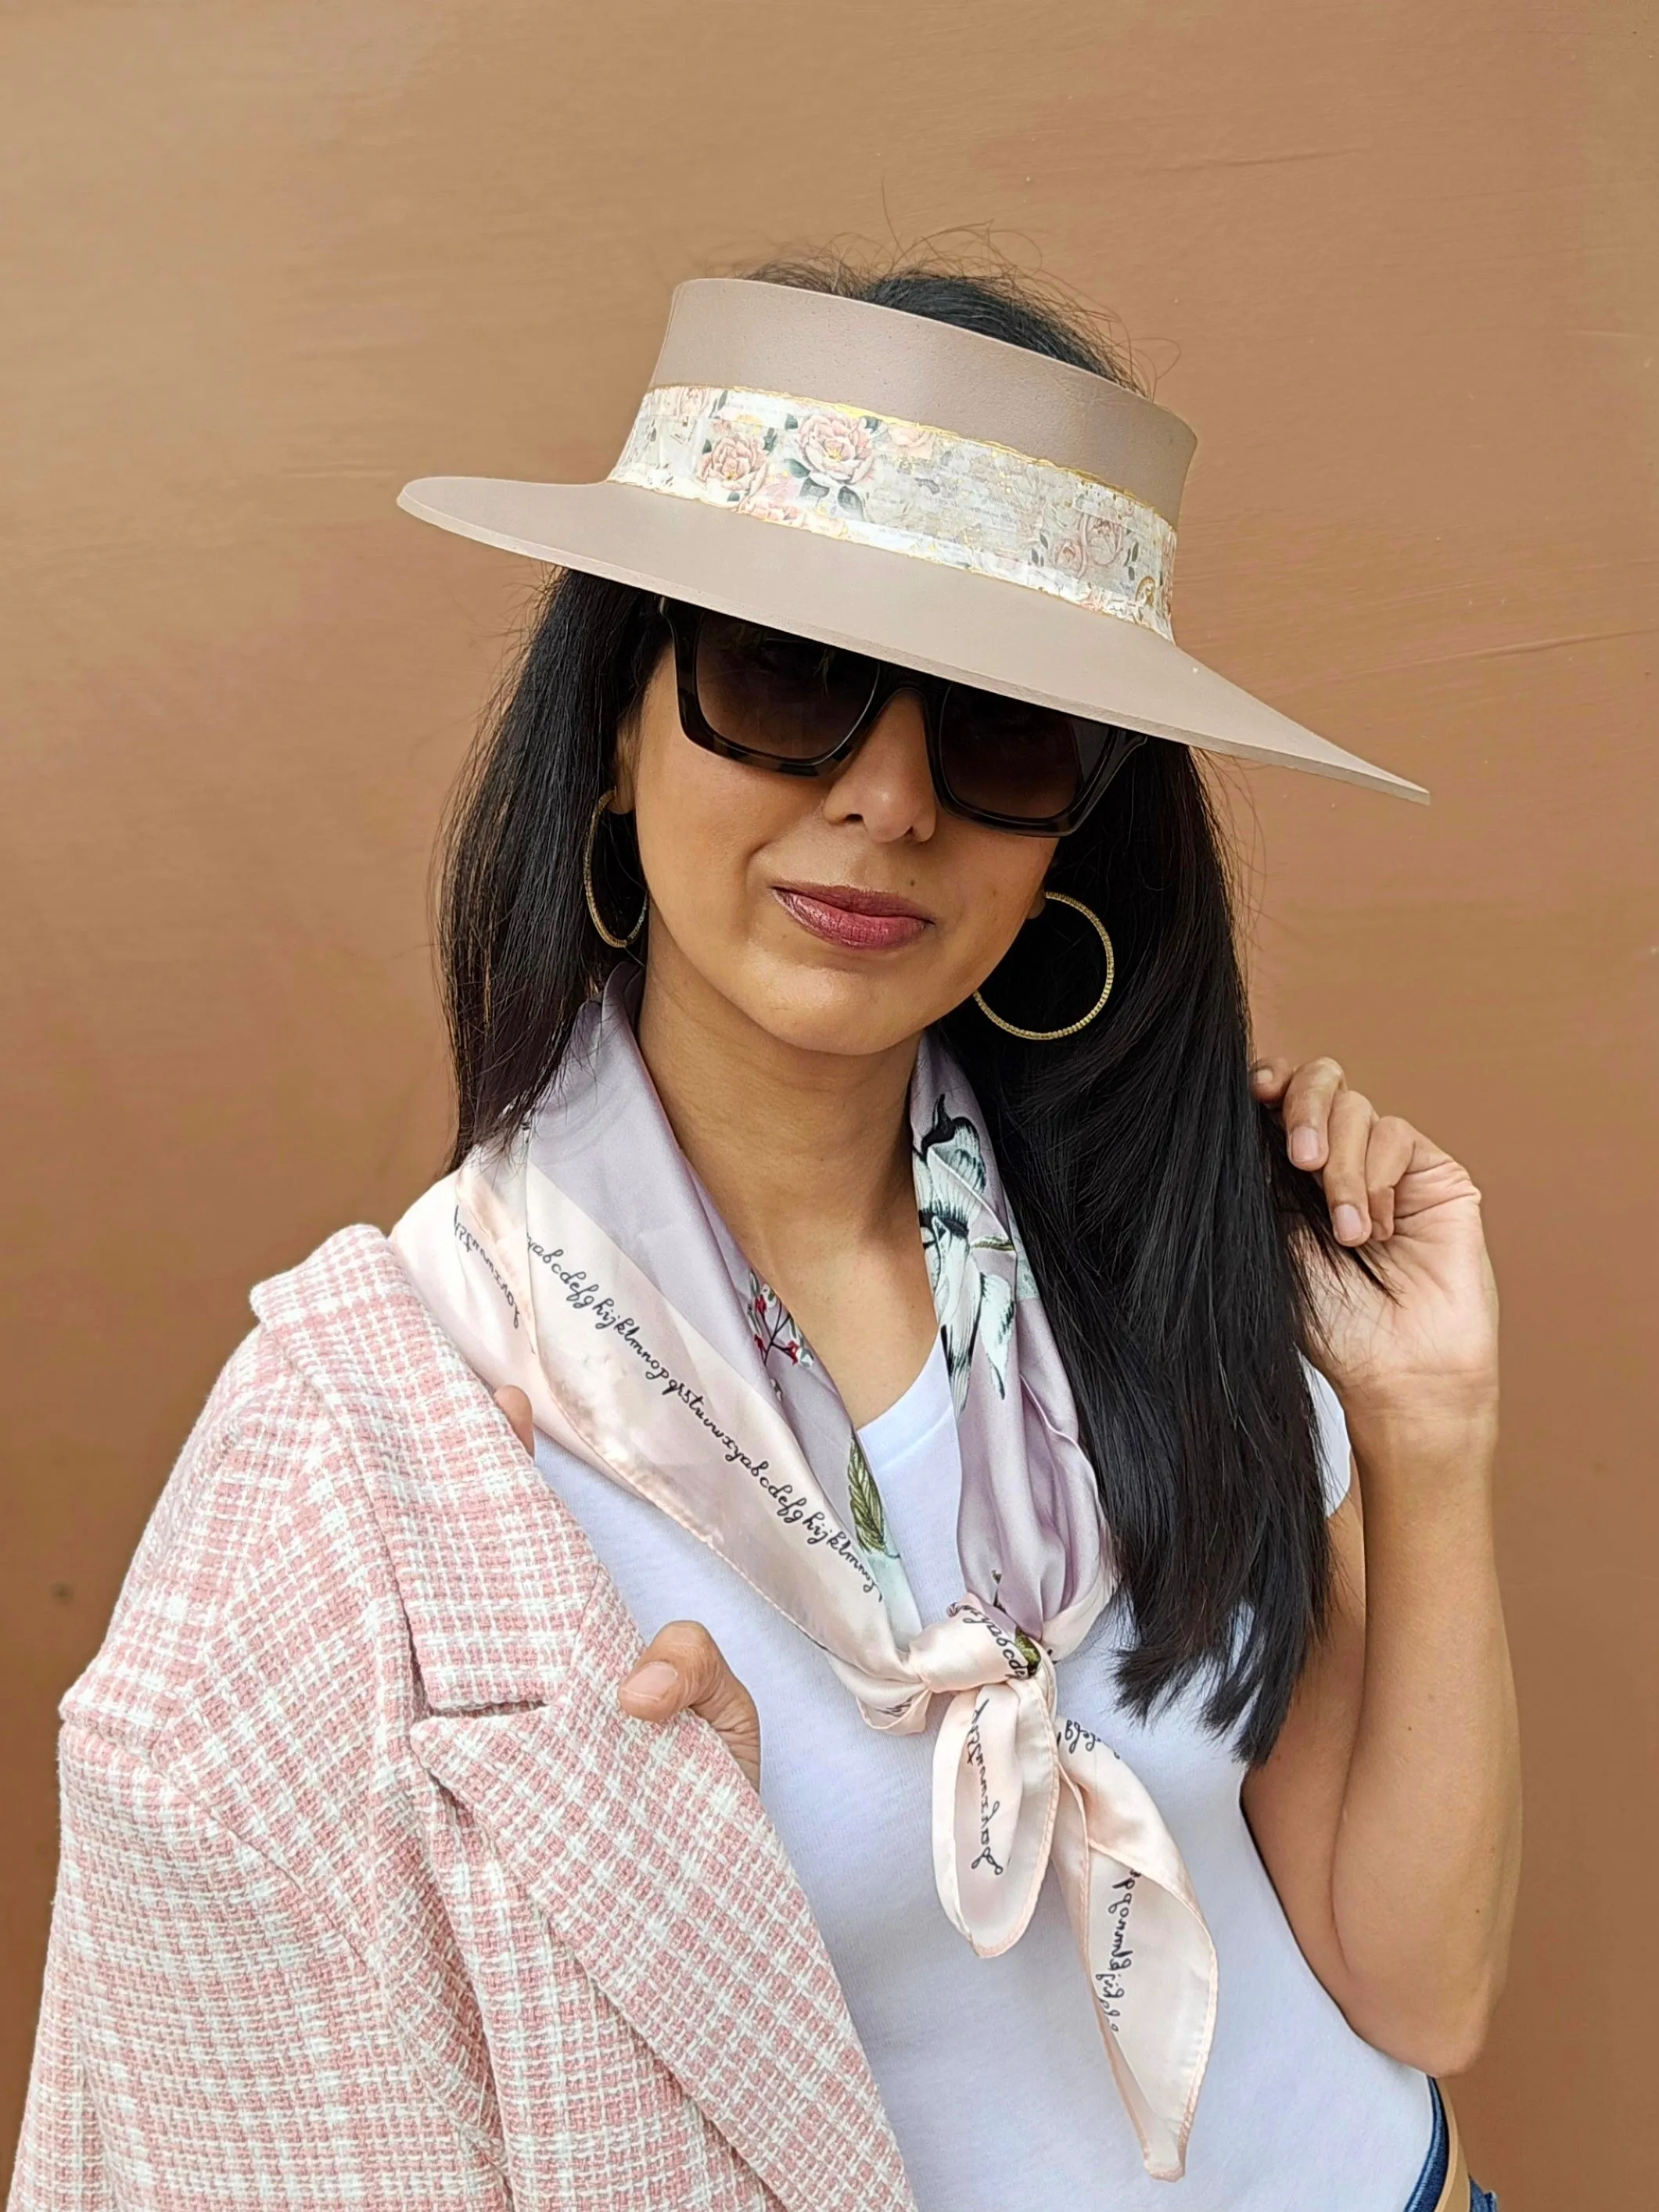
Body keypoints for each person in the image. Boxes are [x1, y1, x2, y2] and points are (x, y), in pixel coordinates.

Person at [12, 257, 1518, 2212]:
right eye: (787, 680)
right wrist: (671, 1912)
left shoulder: (1159, 1244)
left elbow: (1421, 1982)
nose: (887, 797)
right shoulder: (407, 1441)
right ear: (620, 727)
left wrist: (1432, 1432)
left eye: (996, 729)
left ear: (1071, 823)